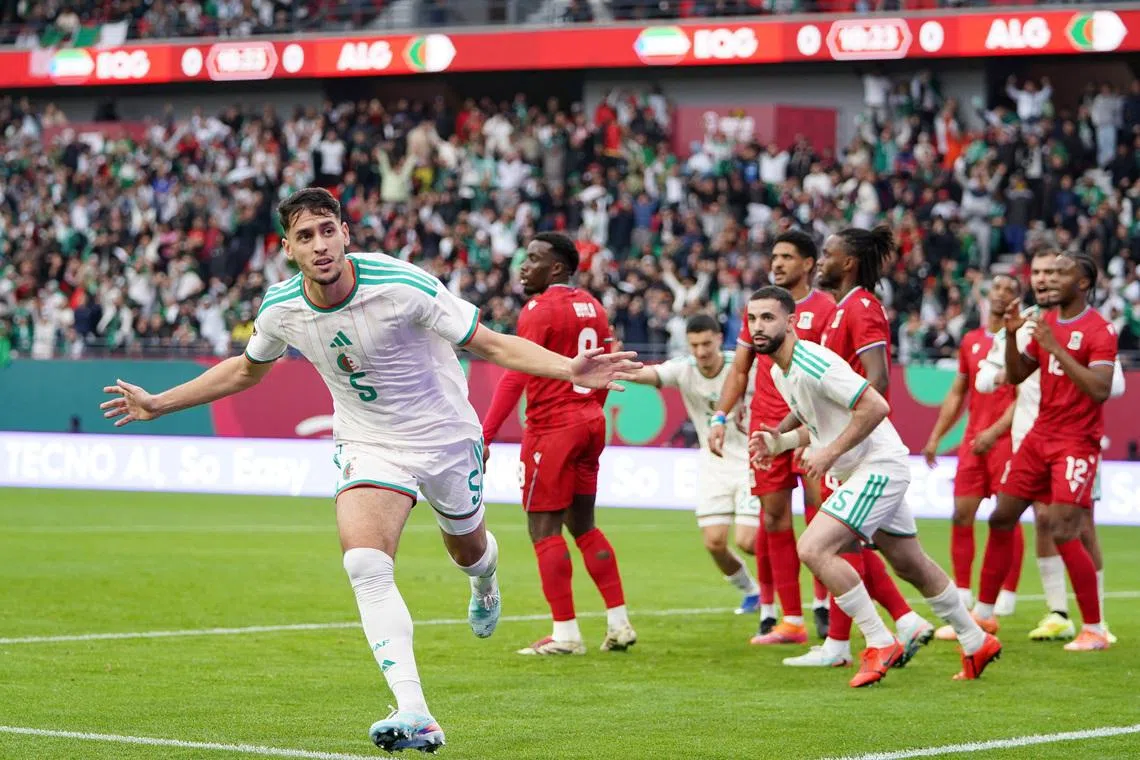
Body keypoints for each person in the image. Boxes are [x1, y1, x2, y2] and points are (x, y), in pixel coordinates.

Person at [100, 189, 641, 753]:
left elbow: (489, 344)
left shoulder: (403, 284)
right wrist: (158, 403)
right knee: (364, 563)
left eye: (327, 230)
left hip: (446, 438)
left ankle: (485, 579)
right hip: (368, 440)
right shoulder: (281, 307)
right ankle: (415, 710)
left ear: (345, 234)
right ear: (287, 248)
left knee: (469, 550)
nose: (320, 244)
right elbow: (244, 370)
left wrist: (568, 367)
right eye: (305, 236)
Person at [746, 285, 1001, 687]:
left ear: (791, 322)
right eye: (752, 319)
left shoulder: (812, 361)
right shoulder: (781, 371)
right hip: (867, 468)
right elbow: (818, 425)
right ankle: (975, 639)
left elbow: (876, 407)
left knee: (813, 548)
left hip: (877, 465)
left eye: (767, 318)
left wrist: (829, 454)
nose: (757, 327)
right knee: (908, 562)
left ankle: (880, 640)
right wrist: (780, 442)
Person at [781, 225, 934, 669]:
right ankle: (887, 631)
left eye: (827, 254)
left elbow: (878, 381)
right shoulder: (840, 309)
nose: (821, 262)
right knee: (854, 547)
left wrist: (836, 439)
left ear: (847, 263)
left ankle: (888, 631)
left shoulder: (862, 307)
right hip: (841, 444)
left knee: (832, 544)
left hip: (856, 449)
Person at [482, 232, 637, 656]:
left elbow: (515, 371)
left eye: (533, 259)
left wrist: (487, 434)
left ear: (557, 268)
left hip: (552, 429)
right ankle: (618, 622)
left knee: (543, 529)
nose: (523, 266)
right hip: (590, 423)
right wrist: (590, 412)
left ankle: (566, 634)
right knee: (583, 525)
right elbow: (605, 369)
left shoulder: (539, 308)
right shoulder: (595, 306)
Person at [973, 250, 1123, 647]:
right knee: (1001, 516)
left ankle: (1094, 628)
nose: (1049, 280)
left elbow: (1101, 389)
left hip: (1076, 443)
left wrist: (1056, 348)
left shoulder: (1100, 330)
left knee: (1063, 529)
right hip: (1039, 436)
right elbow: (1019, 373)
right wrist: (1009, 332)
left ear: (1083, 283)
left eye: (1061, 273)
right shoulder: (1045, 322)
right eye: (1046, 273)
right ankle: (982, 616)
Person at [709, 230, 835, 644]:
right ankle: (791, 620)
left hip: (814, 428)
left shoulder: (828, 308)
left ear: (809, 264)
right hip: (766, 427)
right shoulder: (761, 309)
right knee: (774, 520)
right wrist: (721, 415)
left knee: (822, 516)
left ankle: (825, 604)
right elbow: (740, 369)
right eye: (775, 256)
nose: (777, 263)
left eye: (787, 257)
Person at [624, 313, 761, 614]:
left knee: (748, 541)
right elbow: (648, 375)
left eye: (707, 344)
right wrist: (616, 367)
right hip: (714, 465)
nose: (701, 352)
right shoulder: (684, 369)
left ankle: (780, 593)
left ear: (718, 339)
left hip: (752, 463)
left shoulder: (742, 366)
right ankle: (752, 591)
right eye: (695, 345)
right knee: (714, 542)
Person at [921, 273, 1023, 640]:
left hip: (1007, 442)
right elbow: (956, 393)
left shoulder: (1021, 341)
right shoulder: (971, 341)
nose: (1001, 294)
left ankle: (1001, 598)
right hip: (972, 443)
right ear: (987, 295)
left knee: (1004, 517)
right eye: (997, 288)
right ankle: (962, 597)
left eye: (1010, 290)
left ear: (1017, 300)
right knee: (961, 514)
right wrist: (935, 436)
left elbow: (1025, 396)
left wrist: (995, 432)